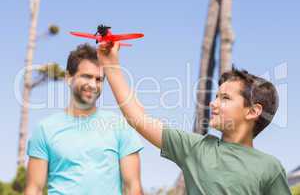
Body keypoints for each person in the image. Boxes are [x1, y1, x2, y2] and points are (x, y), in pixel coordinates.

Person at [98, 42, 291, 195]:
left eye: (225, 98)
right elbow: (138, 118)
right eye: (216, 96)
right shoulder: (196, 148)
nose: (213, 104)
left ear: (252, 111)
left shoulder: (270, 168)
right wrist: (110, 65)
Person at [25, 44, 144, 195]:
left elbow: (133, 187)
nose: (93, 84)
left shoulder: (120, 126)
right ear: (69, 78)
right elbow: (34, 189)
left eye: (99, 79)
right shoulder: (44, 129)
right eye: (86, 76)